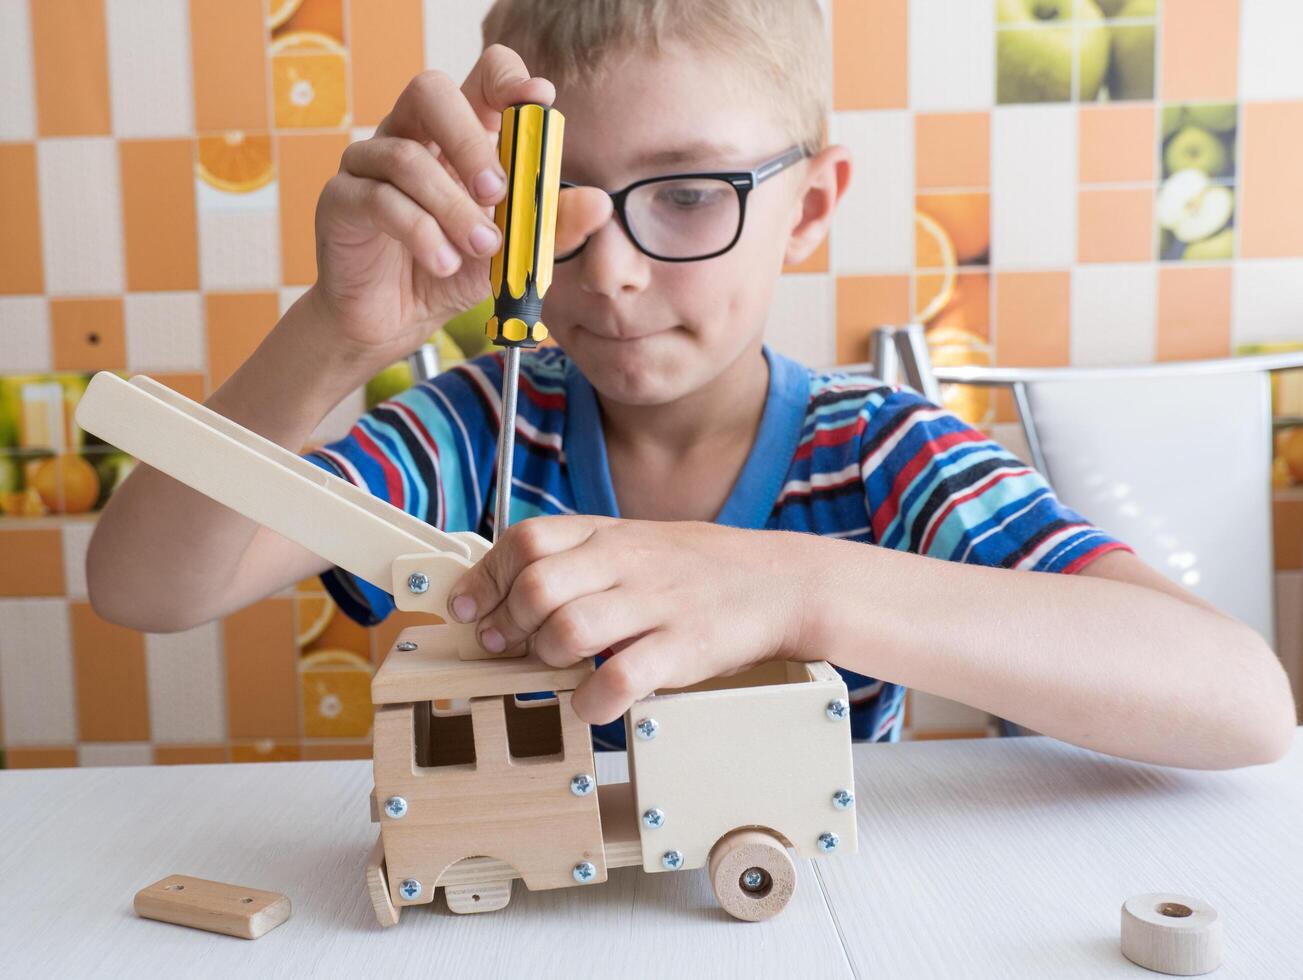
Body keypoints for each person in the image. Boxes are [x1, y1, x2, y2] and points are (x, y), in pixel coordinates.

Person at [87, 0, 1295, 769]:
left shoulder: (881, 457)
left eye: (685, 193)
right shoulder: (482, 428)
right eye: (556, 204)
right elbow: (143, 585)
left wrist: (794, 582)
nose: (607, 272)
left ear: (809, 207)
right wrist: (338, 334)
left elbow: (1238, 698)